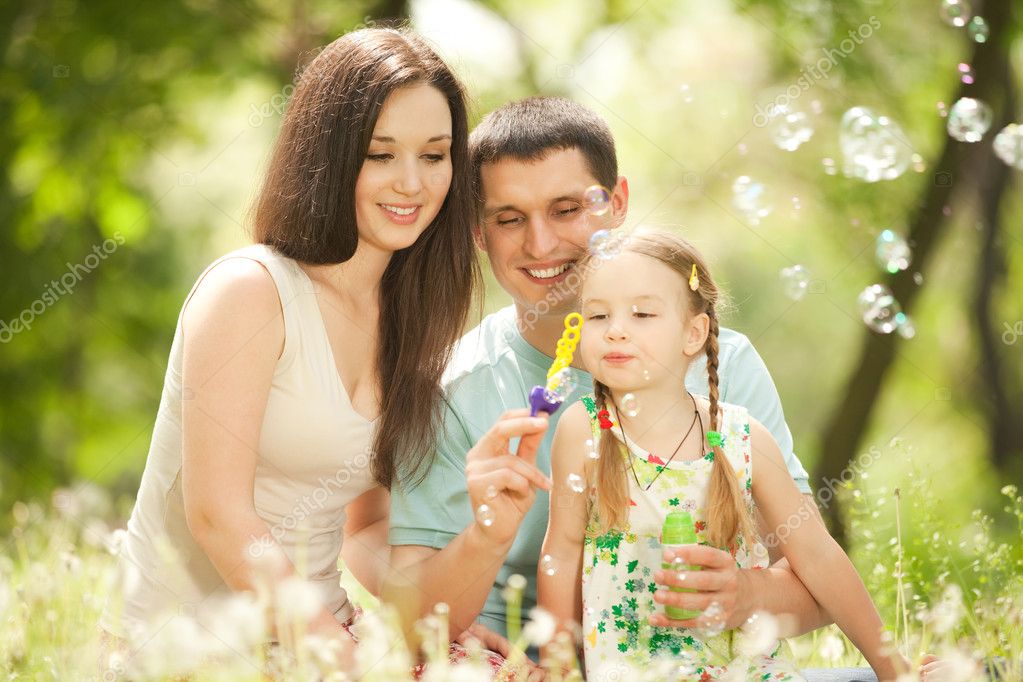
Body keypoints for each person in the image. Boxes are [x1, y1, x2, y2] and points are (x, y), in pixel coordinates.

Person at [385, 97, 830, 661]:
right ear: (478, 231)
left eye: (566, 209)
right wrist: (486, 537)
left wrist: (747, 594)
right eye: (510, 219)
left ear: (616, 202)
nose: (540, 244)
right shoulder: (451, 390)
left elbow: (817, 582)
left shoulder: (723, 364)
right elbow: (408, 627)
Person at [99, 26, 480, 671]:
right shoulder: (250, 293)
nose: (412, 182)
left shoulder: (409, 319)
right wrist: (341, 660)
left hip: (321, 638)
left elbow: (365, 524)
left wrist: (446, 624)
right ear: (329, 156)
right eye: (380, 154)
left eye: (435, 155)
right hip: (189, 652)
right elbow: (217, 514)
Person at [538, 229, 907, 680]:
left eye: (642, 314)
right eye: (598, 316)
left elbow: (818, 556)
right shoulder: (585, 429)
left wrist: (893, 669)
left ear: (694, 333)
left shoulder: (742, 438)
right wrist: (557, 668)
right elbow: (561, 553)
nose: (615, 330)